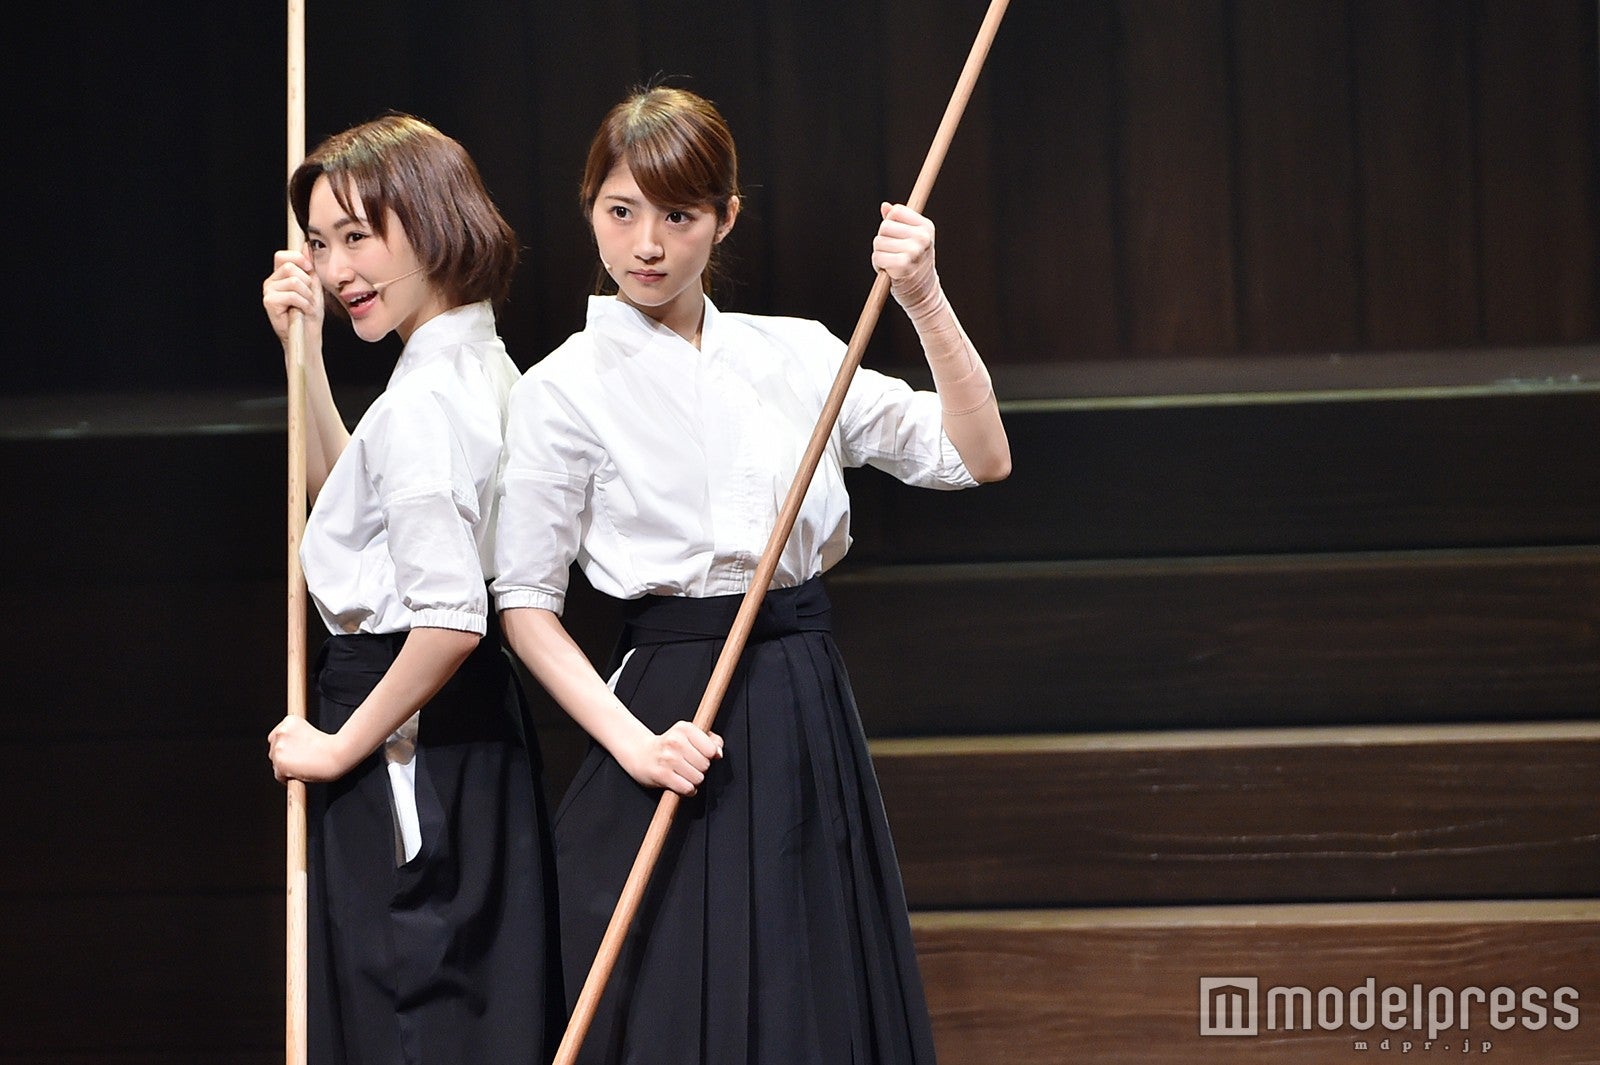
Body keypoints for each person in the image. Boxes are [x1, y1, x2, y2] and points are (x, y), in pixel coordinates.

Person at [493, 85, 1010, 1065]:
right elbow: (524, 607)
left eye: (679, 216)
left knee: (806, 986)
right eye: (621, 212)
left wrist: (924, 298)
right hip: (664, 709)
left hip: (797, 690)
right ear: (589, 210)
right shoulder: (559, 389)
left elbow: (976, 455)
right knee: (674, 996)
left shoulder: (798, 352)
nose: (647, 244)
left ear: (725, 217)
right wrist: (636, 746)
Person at [261, 113, 563, 1065]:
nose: (335, 268)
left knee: (410, 1015)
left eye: (357, 235)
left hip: (405, 734)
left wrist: (336, 746)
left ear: (430, 222)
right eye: (320, 243)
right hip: (460, 735)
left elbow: (448, 620)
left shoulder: (428, 399)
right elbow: (358, 503)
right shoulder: (472, 363)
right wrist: (305, 353)